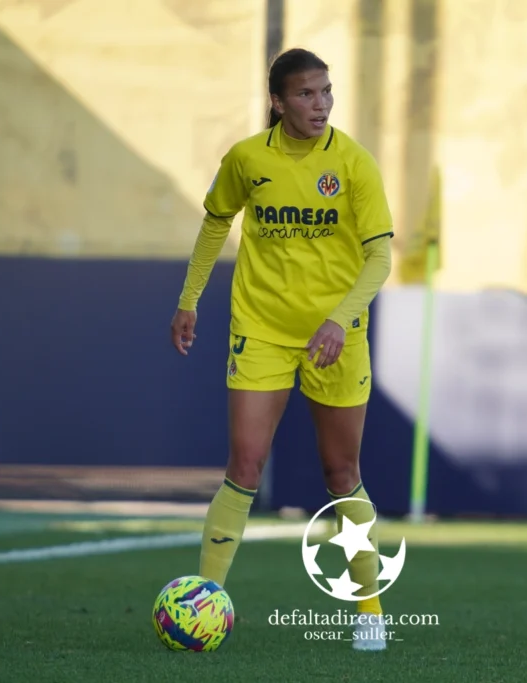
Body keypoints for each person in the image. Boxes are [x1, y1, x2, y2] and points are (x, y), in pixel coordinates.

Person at [169, 47, 395, 651]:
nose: (320, 104)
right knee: (244, 465)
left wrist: (339, 320)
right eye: (305, 94)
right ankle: (202, 606)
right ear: (277, 101)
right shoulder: (247, 159)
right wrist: (189, 299)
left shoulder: (353, 163)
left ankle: (369, 610)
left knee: (340, 472)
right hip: (262, 328)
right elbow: (216, 220)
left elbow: (380, 256)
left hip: (336, 336)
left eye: (326, 92)